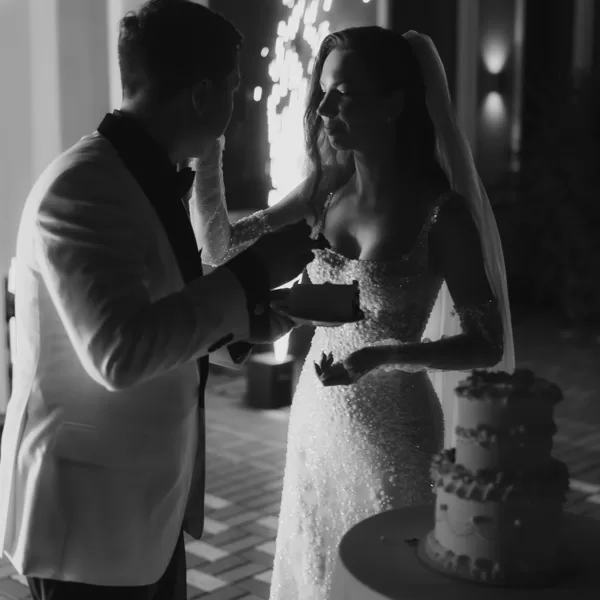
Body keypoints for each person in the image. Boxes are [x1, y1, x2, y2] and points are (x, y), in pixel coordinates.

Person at [0, 2, 318, 599]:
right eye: (232, 87)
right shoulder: (82, 189)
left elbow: (163, 307)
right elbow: (119, 352)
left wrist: (251, 322)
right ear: (201, 94)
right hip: (87, 525)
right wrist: (252, 273)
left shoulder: (143, 175)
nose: (235, 107)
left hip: (147, 507)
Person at [191, 26, 516, 600]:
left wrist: (384, 355)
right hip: (318, 417)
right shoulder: (322, 192)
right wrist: (208, 154)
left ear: (393, 104)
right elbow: (220, 248)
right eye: (322, 93)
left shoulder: (442, 214)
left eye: (342, 94)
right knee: (317, 571)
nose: (323, 109)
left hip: (398, 430)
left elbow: (486, 342)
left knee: (393, 579)